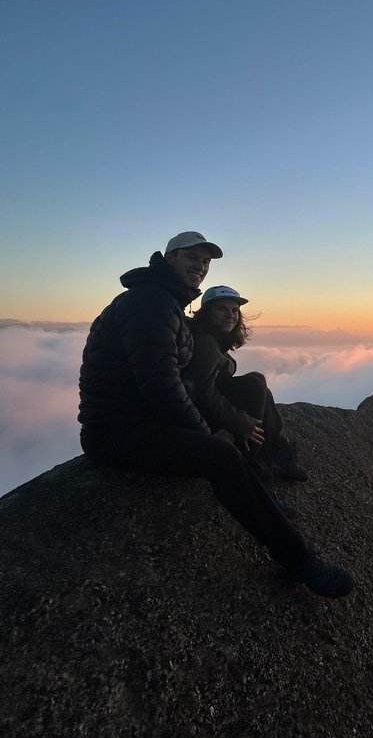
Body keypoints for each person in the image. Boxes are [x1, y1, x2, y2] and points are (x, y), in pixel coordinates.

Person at [78, 231, 353, 598]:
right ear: (169, 257)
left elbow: (175, 382)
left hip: (141, 420)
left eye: (205, 261)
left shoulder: (164, 301)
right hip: (117, 430)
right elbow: (161, 386)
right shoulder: (151, 304)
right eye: (192, 257)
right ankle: (300, 561)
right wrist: (207, 435)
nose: (200, 266)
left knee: (234, 430)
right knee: (224, 456)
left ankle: (270, 468)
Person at [187, 285, 306, 494]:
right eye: (221, 309)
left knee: (258, 384)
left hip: (210, 409)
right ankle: (258, 477)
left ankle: (279, 450)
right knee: (254, 385)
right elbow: (202, 394)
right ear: (206, 312)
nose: (230, 316)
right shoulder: (206, 342)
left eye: (234, 311)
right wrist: (240, 422)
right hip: (201, 416)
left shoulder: (215, 340)